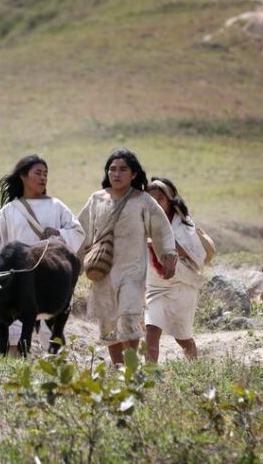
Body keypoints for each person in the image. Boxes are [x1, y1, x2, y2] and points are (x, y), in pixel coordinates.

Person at [0, 155, 85, 351]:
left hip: (48, 276)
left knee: (50, 334)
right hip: (17, 281)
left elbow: (77, 232)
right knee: (14, 338)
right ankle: (16, 376)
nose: (43, 178)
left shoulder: (57, 206)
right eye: (38, 173)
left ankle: (50, 374)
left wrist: (59, 234)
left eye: (45, 174)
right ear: (22, 176)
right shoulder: (10, 210)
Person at [77, 149, 177, 365]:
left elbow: (162, 229)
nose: (117, 173)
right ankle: (118, 369)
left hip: (132, 271)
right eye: (112, 169)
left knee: (129, 317)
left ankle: (132, 373)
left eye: (123, 169)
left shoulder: (142, 201)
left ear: (133, 174)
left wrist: (168, 254)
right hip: (102, 271)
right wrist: (72, 266)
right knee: (108, 324)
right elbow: (81, 232)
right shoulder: (96, 200)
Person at [144, 177, 206, 363]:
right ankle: (149, 376)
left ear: (170, 201)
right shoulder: (142, 221)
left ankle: (195, 367)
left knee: (182, 337)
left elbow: (189, 251)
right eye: (151, 199)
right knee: (151, 329)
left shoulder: (183, 223)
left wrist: (159, 242)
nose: (155, 203)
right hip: (155, 286)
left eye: (160, 199)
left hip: (181, 287)